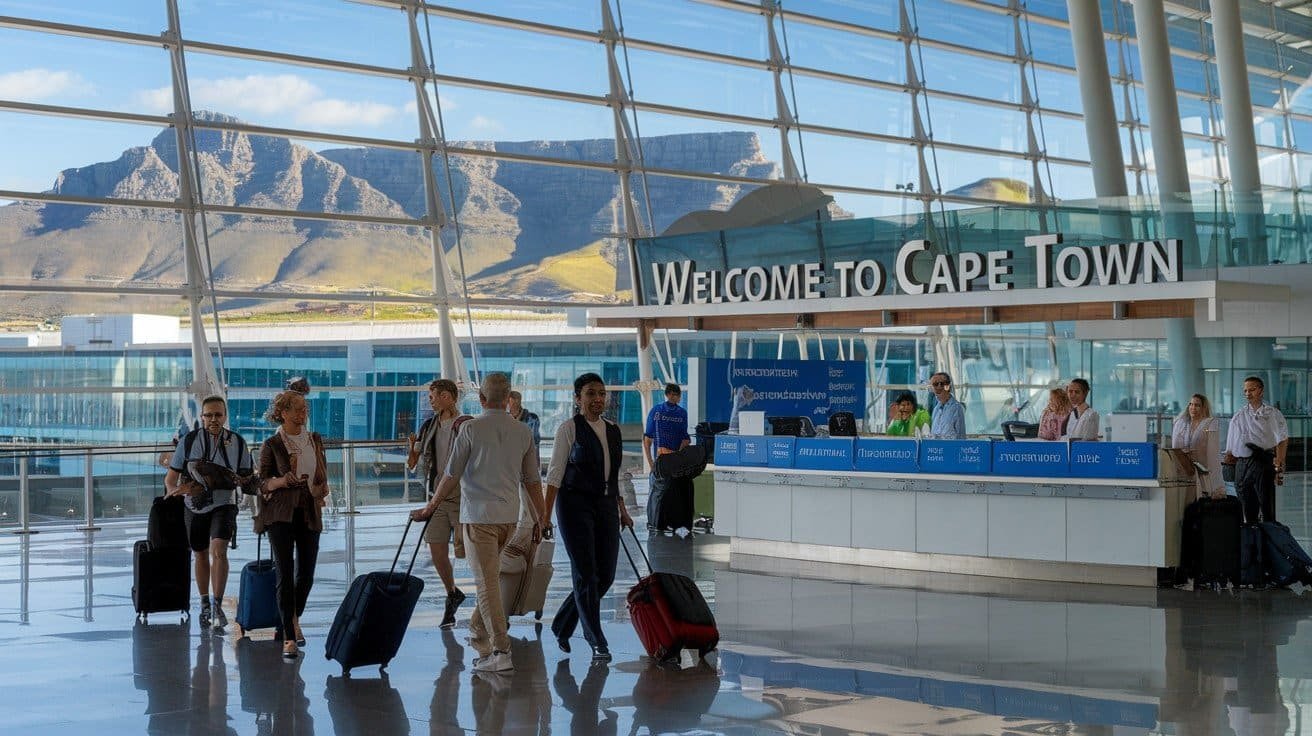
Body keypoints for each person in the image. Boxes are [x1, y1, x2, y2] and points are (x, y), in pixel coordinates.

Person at [411, 373, 544, 673]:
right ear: (508, 398)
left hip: (478, 518)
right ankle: (476, 631)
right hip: (509, 517)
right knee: (490, 580)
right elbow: (533, 480)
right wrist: (542, 516)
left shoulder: (470, 429)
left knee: (486, 585)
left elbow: (450, 474)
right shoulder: (522, 431)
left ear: (482, 399)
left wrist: (430, 507)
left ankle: (501, 651)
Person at [543, 372, 634, 662]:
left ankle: (562, 623)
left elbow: (614, 474)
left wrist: (622, 508)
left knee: (605, 575)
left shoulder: (612, 430)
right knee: (585, 574)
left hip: (606, 504)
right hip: (573, 505)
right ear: (578, 398)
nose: (597, 399)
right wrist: (545, 517)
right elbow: (555, 474)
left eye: (601, 393)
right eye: (591, 393)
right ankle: (596, 639)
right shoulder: (568, 429)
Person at [165, 395, 253, 632]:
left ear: (225, 416)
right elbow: (170, 478)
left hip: (224, 504)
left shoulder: (238, 442)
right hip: (194, 505)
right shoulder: (189, 441)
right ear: (202, 417)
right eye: (209, 415)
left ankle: (217, 603)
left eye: (218, 414)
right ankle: (205, 600)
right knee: (201, 553)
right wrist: (177, 492)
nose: (214, 419)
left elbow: (248, 478)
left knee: (219, 550)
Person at [257, 390, 329, 660]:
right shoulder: (273, 444)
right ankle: (288, 635)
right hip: (281, 514)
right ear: (283, 413)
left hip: (309, 510)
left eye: (305, 408)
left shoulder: (314, 440)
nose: (303, 413)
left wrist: (321, 490)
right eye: (297, 408)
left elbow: (321, 471)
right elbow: (261, 483)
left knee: (306, 574)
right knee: (285, 574)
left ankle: (292, 618)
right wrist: (282, 481)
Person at [406, 378, 470, 630]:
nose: (429, 400)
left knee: (470, 549)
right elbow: (414, 462)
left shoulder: (467, 425)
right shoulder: (428, 426)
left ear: (447, 396)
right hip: (437, 496)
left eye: (432, 396)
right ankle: (452, 592)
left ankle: (492, 598)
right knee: (437, 551)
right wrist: (412, 451)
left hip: (464, 496)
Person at [1224, 376, 1289, 523]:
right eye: (1245, 390)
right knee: (1246, 504)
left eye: (1252, 390)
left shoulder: (1273, 414)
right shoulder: (1238, 416)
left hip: (1264, 461)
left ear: (1261, 391)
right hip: (1243, 463)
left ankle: (1269, 537)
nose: (1248, 393)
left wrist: (1280, 462)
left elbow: (1283, 438)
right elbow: (1230, 448)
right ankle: (1251, 536)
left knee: (1267, 503)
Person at [1172, 393, 1225, 501]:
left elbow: (1213, 453)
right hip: (1184, 470)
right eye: (1191, 404)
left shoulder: (1210, 423)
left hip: (1203, 470)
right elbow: (1175, 448)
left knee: (1201, 502)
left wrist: (1214, 481)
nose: (1193, 408)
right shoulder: (1181, 423)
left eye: (1197, 405)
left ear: (1203, 407)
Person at [643, 383, 690, 468]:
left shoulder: (657, 410)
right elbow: (685, 440)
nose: (678, 397)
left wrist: (651, 464)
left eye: (677, 395)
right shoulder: (658, 411)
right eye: (676, 395)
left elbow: (647, 439)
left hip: (663, 459)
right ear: (669, 395)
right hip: (668, 460)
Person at [927, 372, 965, 439]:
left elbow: (961, 436)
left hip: (951, 448)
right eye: (934, 385)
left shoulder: (956, 408)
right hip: (937, 448)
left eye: (941, 384)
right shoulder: (936, 408)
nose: (937, 387)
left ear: (947, 386)